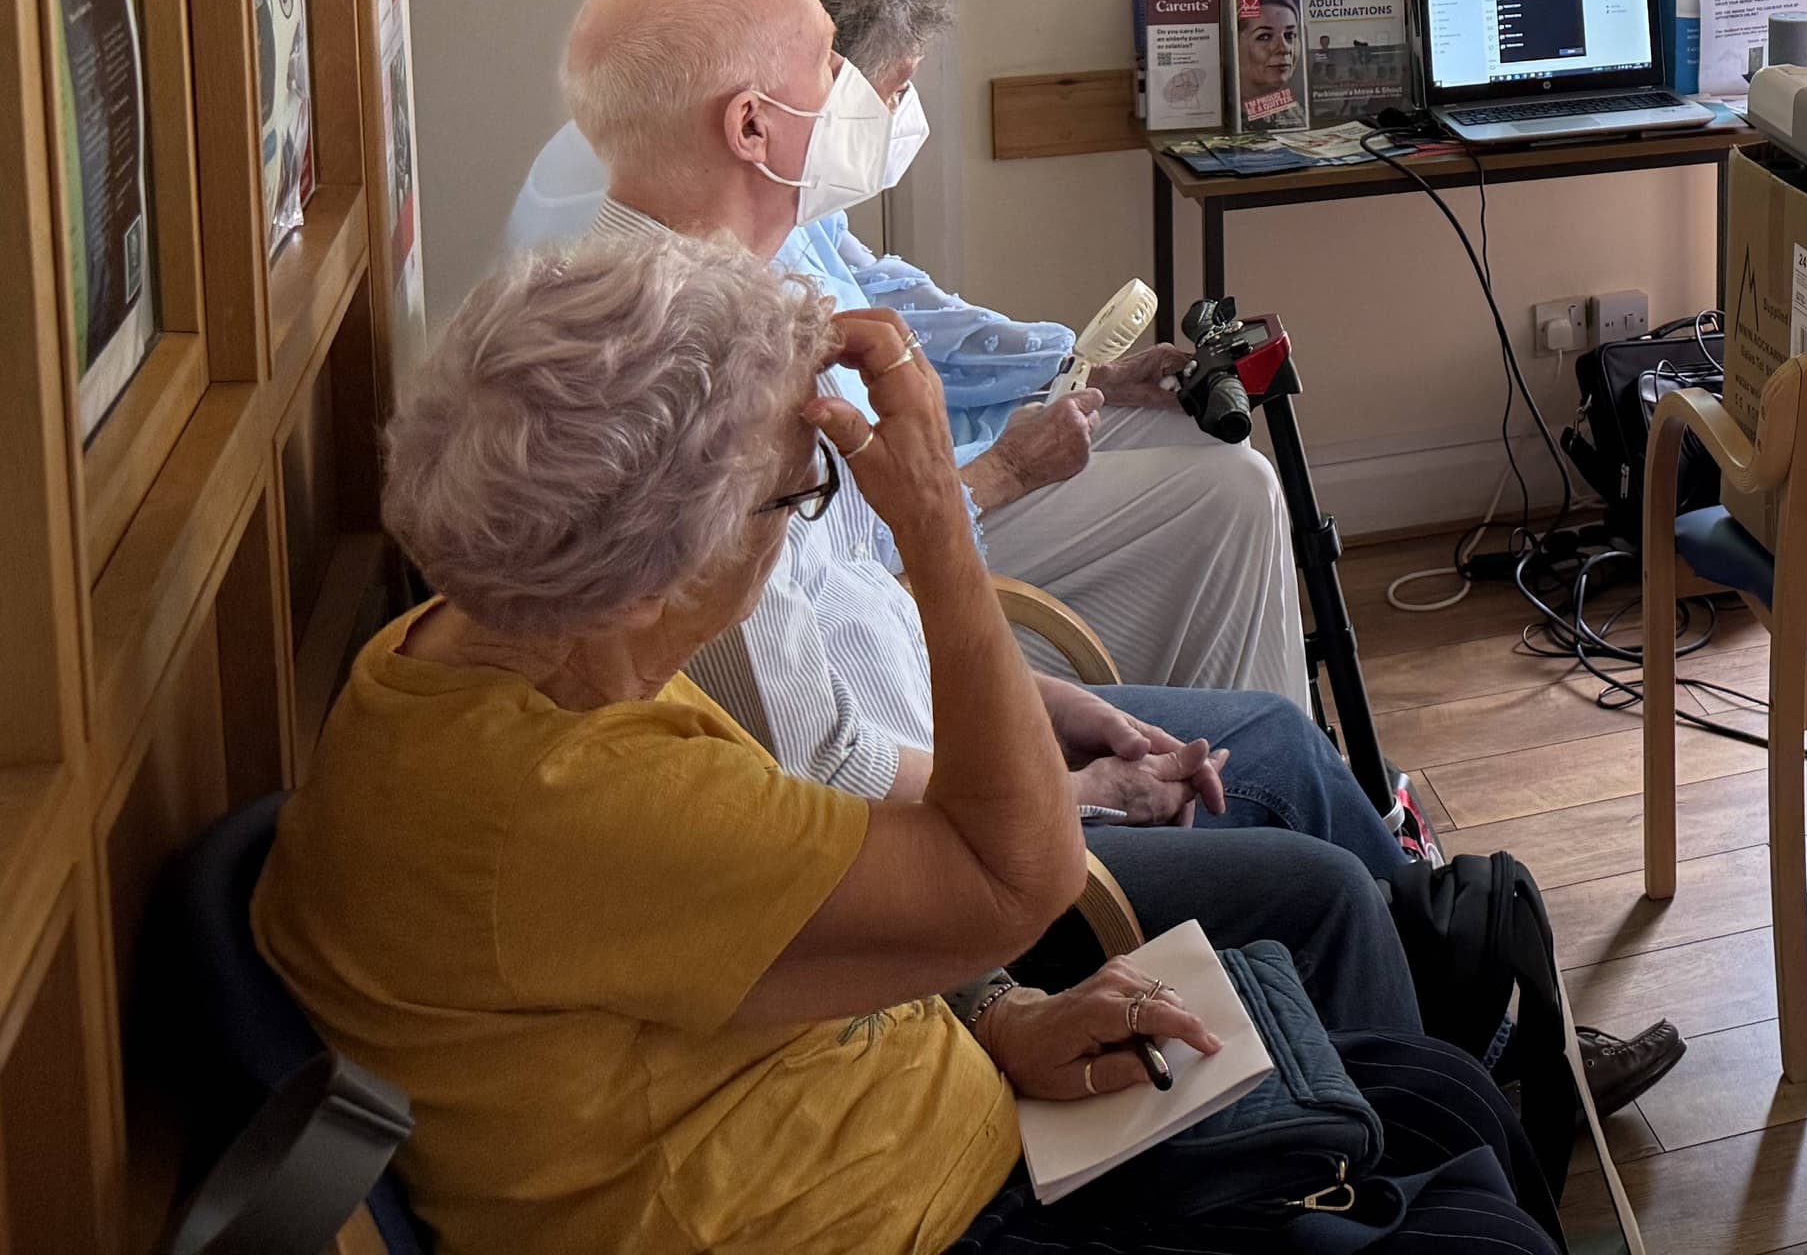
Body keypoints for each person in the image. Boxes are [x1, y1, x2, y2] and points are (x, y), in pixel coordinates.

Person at [546, 0, 1688, 1119]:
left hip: (949, 750)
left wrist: (1076, 720)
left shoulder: (756, 297)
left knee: (1275, 740)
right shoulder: (692, 397)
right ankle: (1441, 1115)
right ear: (751, 125)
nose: (863, 98)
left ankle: (1468, 1038)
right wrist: (1083, 791)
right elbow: (822, 781)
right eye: (835, 67)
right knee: (1316, 890)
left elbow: (866, 622)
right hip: (931, 862)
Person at [255, 229, 1557, 1255]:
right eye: (795, 497)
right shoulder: (575, 800)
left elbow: (758, 945)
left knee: (1436, 1103)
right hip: (895, 1220)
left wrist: (1000, 1020)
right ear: (668, 567)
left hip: (927, 1126)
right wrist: (935, 522)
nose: (796, 528)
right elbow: (1020, 876)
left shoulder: (474, 664)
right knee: (1462, 1200)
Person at [510, 0, 1305, 707]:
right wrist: (1010, 468)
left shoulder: (720, 179)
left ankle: (1234, 738)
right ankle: (1238, 746)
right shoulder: (720, 289)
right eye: (870, 82)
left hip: (905, 484)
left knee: (1185, 431)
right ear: (759, 116)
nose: (902, 111)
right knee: (1231, 490)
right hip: (899, 542)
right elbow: (837, 550)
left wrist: (1075, 367)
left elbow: (890, 301)